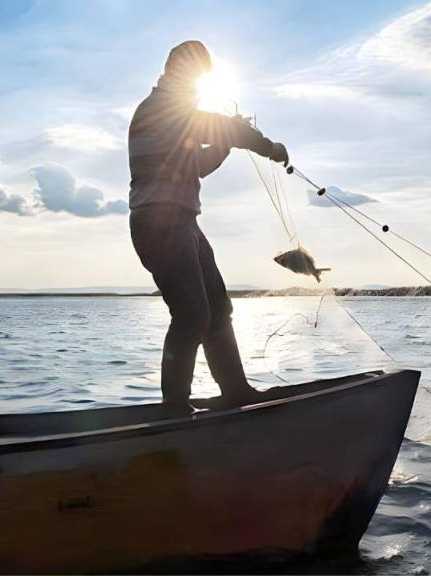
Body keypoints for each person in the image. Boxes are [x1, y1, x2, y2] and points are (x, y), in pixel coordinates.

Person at [128, 40, 290, 413]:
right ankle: (174, 409)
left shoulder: (176, 115)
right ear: (175, 73)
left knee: (217, 307)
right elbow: (219, 128)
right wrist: (270, 148)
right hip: (159, 222)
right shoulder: (159, 110)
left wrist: (227, 141)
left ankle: (235, 392)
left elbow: (196, 165)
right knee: (191, 313)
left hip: (182, 221)